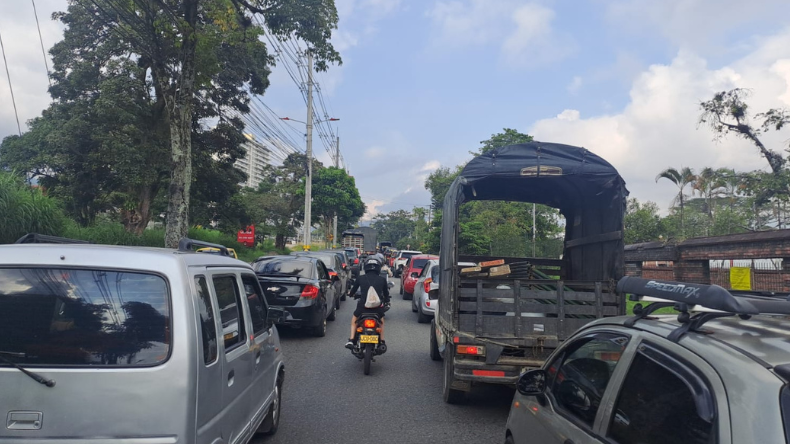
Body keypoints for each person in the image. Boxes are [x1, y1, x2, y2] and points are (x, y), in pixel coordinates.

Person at [346, 258, 390, 350]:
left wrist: (350, 294)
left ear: (366, 268)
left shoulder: (360, 278)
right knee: (381, 321)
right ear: (378, 269)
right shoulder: (382, 280)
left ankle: (351, 339)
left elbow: (352, 291)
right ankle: (382, 341)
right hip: (377, 309)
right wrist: (387, 300)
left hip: (363, 307)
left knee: (354, 320)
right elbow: (386, 294)